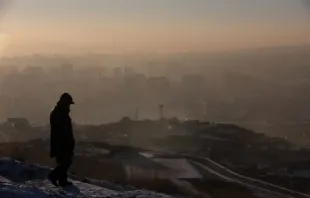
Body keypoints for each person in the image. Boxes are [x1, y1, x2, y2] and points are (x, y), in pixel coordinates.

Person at [48, 93, 75, 187]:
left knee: (65, 161)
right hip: (61, 143)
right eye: (68, 104)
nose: (69, 106)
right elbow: (61, 130)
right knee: (65, 161)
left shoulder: (61, 112)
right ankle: (53, 175)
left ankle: (62, 180)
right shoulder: (58, 113)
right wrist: (67, 141)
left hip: (63, 142)